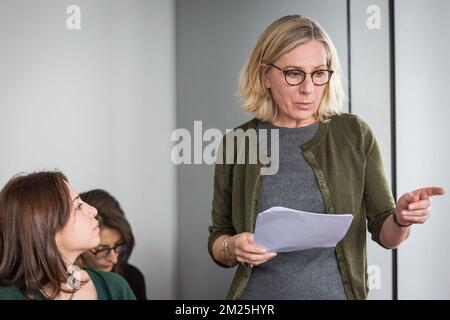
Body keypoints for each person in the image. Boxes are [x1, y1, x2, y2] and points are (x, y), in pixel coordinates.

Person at [208, 15, 445, 300]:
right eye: (294, 73)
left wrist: (402, 219)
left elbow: (386, 234)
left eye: (319, 73)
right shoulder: (237, 143)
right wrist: (232, 246)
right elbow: (219, 236)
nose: (308, 88)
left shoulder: (355, 134)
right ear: (265, 75)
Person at [0, 171, 136, 300]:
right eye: (77, 206)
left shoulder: (114, 287)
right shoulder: (6, 295)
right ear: (45, 227)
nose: (93, 211)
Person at [79, 189, 147, 300]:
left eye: (119, 246)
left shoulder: (132, 277)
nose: (114, 259)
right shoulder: (63, 286)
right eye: (101, 249)